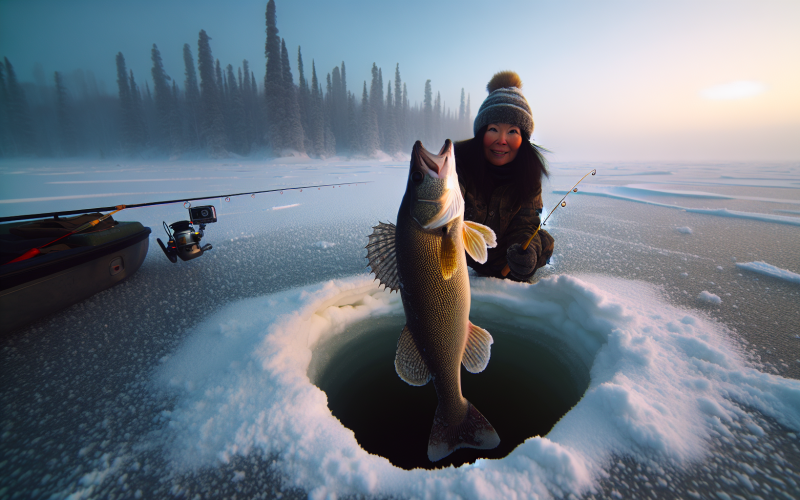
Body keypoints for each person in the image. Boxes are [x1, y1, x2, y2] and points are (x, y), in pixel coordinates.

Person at [454, 71, 554, 281]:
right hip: (456, 260)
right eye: (493, 129)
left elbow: (526, 223)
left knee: (540, 240)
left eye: (512, 132)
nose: (501, 140)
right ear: (481, 133)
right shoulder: (457, 163)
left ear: (523, 139)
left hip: (502, 263)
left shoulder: (529, 174)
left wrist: (526, 254)